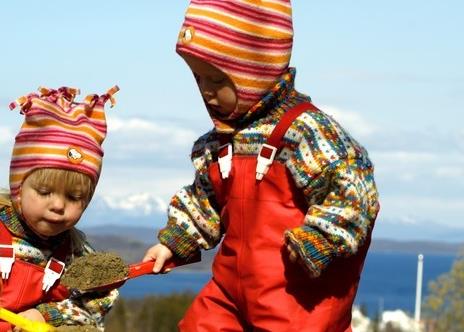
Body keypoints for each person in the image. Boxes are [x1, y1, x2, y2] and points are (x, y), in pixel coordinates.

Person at [143, 0, 380, 331]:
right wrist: (175, 241)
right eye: (198, 79)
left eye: (216, 80)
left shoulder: (306, 133)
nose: (206, 92)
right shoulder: (220, 143)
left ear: (254, 71)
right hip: (229, 292)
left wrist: (320, 238)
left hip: (296, 300)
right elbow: (205, 200)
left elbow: (356, 191)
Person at [0, 86, 119, 331]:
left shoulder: (76, 255)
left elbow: (93, 306)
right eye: (44, 192)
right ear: (18, 188)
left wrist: (46, 316)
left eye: (74, 197)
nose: (58, 206)